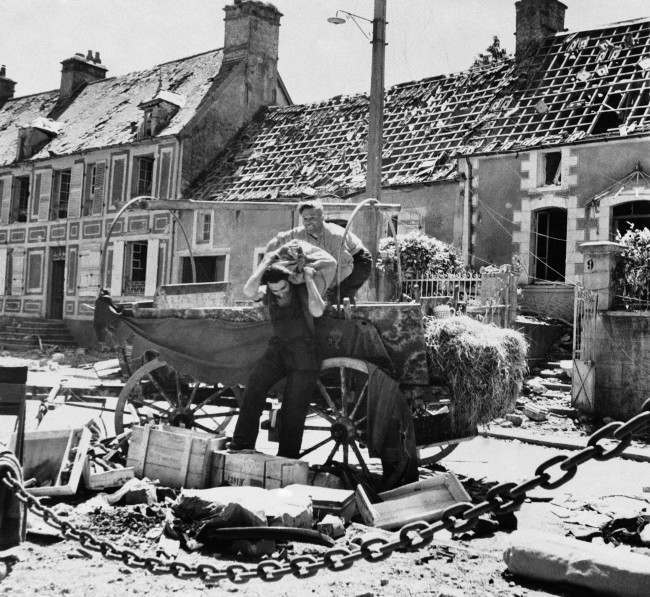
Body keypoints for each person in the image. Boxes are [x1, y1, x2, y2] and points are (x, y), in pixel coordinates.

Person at [229, 252, 326, 458]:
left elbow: (317, 311)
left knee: (294, 407)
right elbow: (248, 290)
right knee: (254, 386)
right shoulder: (270, 293)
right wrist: (265, 263)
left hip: (305, 354)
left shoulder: (301, 289)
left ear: (289, 281)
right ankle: (241, 444)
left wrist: (308, 278)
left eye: (283, 288)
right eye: (275, 290)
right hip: (279, 349)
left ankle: (286, 458)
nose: (280, 293)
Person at [265, 198, 373, 303]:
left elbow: (346, 267)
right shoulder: (300, 233)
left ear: (322, 217)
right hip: (334, 260)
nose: (308, 222)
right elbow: (279, 240)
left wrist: (327, 286)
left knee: (340, 294)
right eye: (305, 219)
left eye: (312, 218)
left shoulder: (335, 236)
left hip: (357, 260)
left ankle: (347, 317)